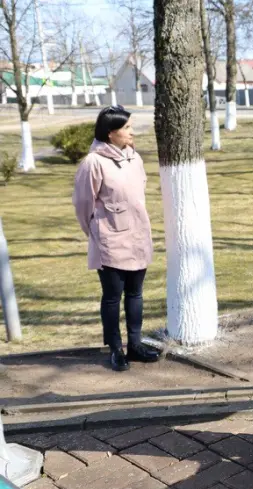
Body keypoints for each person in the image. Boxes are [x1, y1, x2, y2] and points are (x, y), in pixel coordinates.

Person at [72, 106, 160, 372]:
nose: (132, 132)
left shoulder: (134, 158)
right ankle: (115, 349)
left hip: (137, 235)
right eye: (127, 128)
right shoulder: (93, 162)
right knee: (112, 296)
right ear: (111, 134)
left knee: (136, 294)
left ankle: (135, 345)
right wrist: (97, 232)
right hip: (110, 239)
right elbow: (82, 203)